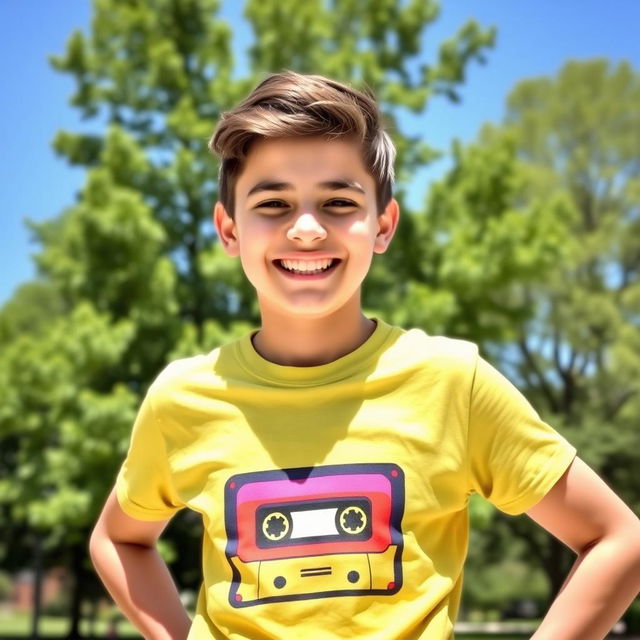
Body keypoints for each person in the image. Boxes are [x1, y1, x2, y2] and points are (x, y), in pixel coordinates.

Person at [89, 71, 640, 640]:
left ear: (383, 225)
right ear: (229, 230)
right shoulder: (183, 397)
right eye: (273, 203)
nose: (306, 228)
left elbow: (619, 540)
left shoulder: (454, 383)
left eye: (338, 201)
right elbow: (118, 537)